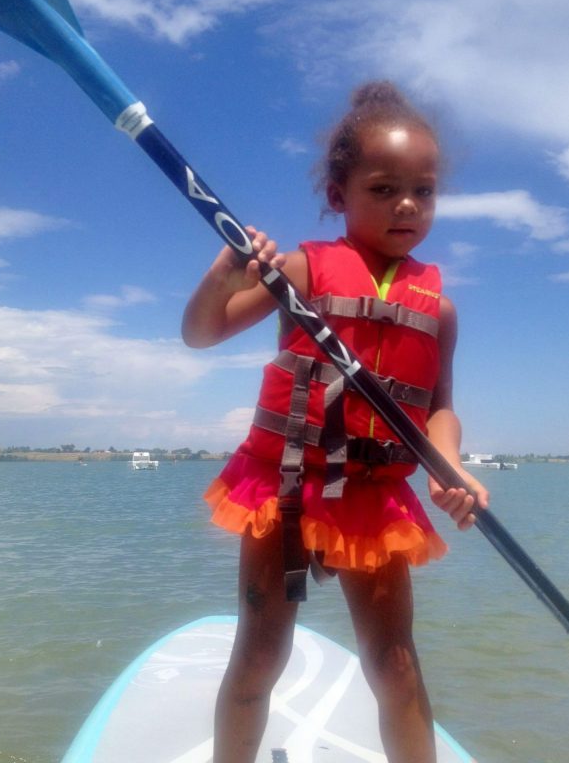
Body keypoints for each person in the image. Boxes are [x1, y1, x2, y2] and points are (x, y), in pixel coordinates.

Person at [181, 80, 490, 763]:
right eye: (383, 188)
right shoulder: (299, 271)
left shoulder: (438, 309)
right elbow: (202, 334)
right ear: (338, 196)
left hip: (375, 500)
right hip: (285, 489)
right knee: (259, 656)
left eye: (423, 190)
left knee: (395, 664)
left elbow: (439, 406)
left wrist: (451, 465)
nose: (407, 204)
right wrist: (222, 276)